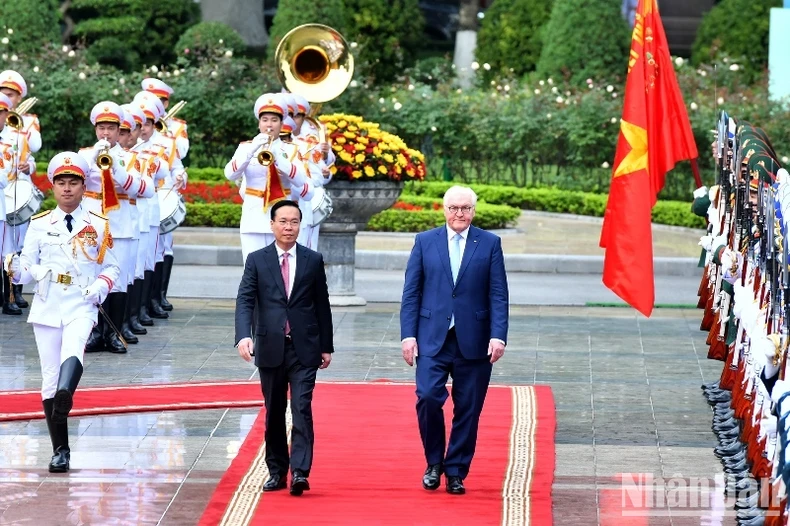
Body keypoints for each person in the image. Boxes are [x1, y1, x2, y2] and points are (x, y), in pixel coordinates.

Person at [5, 151, 120, 472]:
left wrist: (100, 287)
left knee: (74, 350)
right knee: (48, 377)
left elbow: (112, 267)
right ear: (53, 187)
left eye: (74, 183)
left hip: (82, 303)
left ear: (84, 187)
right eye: (61, 183)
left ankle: (66, 394)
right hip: (47, 302)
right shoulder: (40, 224)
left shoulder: (98, 223)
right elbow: (26, 267)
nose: (67, 189)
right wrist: (15, 271)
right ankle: (60, 449)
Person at [400, 185, 509, 495]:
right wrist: (408, 335)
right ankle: (434, 462)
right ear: (444, 209)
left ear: (473, 211)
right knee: (428, 397)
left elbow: (498, 293)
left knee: (469, 409)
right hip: (432, 337)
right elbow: (412, 291)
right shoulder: (425, 241)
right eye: (454, 208)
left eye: (465, 208)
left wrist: (498, 336)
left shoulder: (489, 243)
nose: (459, 214)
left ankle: (456, 470)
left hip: (474, 339)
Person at [234, 199, 334, 496]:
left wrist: (326, 346)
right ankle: (277, 471)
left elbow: (322, 305)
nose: (289, 227)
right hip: (270, 345)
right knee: (274, 411)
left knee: (302, 408)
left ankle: (300, 472)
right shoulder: (257, 259)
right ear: (272, 225)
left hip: (305, 347)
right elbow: (245, 300)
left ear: (300, 225)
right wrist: (243, 336)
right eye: (283, 221)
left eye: (294, 222)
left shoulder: (313, 260)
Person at [78, 101, 146, 354]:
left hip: (120, 225)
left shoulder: (130, 158)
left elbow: (141, 189)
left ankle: (115, 334)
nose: (106, 133)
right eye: (101, 128)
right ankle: (94, 333)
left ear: (120, 131)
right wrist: (93, 160)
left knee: (118, 282)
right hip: (92, 223)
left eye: (111, 128)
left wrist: (114, 166)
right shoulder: (85, 155)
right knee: (91, 278)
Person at [224, 93, 313, 262]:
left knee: (281, 270)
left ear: (281, 123)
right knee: (253, 270)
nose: (269, 125)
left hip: (281, 217)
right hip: (254, 216)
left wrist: (279, 158)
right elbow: (230, 173)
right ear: (259, 123)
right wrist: (252, 150)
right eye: (265, 120)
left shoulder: (291, 150)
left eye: (274, 120)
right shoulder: (246, 148)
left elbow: (301, 180)